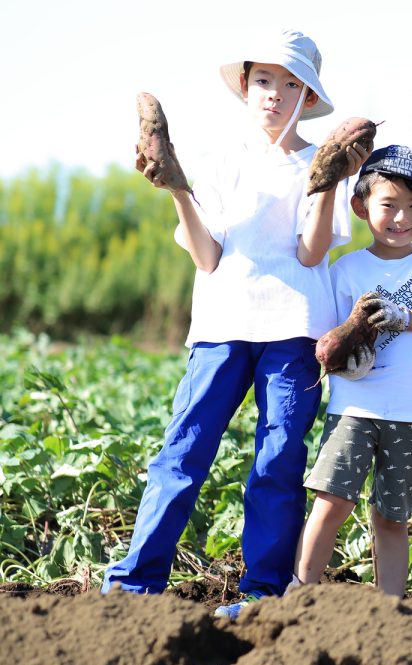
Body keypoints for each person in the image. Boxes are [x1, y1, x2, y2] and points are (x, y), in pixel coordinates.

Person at [101, 29, 367, 620]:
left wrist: (324, 182)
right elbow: (206, 257)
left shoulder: (324, 160)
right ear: (246, 87)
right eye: (264, 80)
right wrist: (177, 188)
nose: (274, 93)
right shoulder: (220, 159)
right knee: (183, 451)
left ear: (308, 94)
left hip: (296, 328)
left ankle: (261, 593)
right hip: (221, 325)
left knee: (277, 460)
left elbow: (310, 251)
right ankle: (134, 583)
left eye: (290, 83)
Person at [291, 145, 412, 597]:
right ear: (361, 207)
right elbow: (333, 337)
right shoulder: (346, 269)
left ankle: (389, 611)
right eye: (389, 205)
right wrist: (346, 358)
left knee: (391, 517)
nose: (402, 217)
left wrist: (405, 317)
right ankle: (296, 594)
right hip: (357, 404)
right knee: (331, 500)